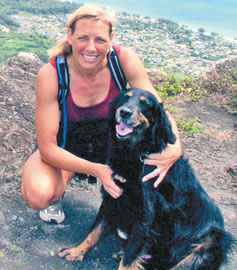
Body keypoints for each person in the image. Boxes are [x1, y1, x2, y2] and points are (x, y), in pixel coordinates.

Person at [21, 4, 182, 223]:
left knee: (157, 169)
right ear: (70, 35)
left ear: (111, 39)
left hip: (113, 141)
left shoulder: (123, 60)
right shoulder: (52, 74)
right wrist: (97, 170)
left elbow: (157, 109)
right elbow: (48, 148)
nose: (91, 48)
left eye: (100, 40)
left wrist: (175, 147)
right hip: (66, 146)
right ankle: (63, 182)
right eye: (83, 38)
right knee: (39, 195)